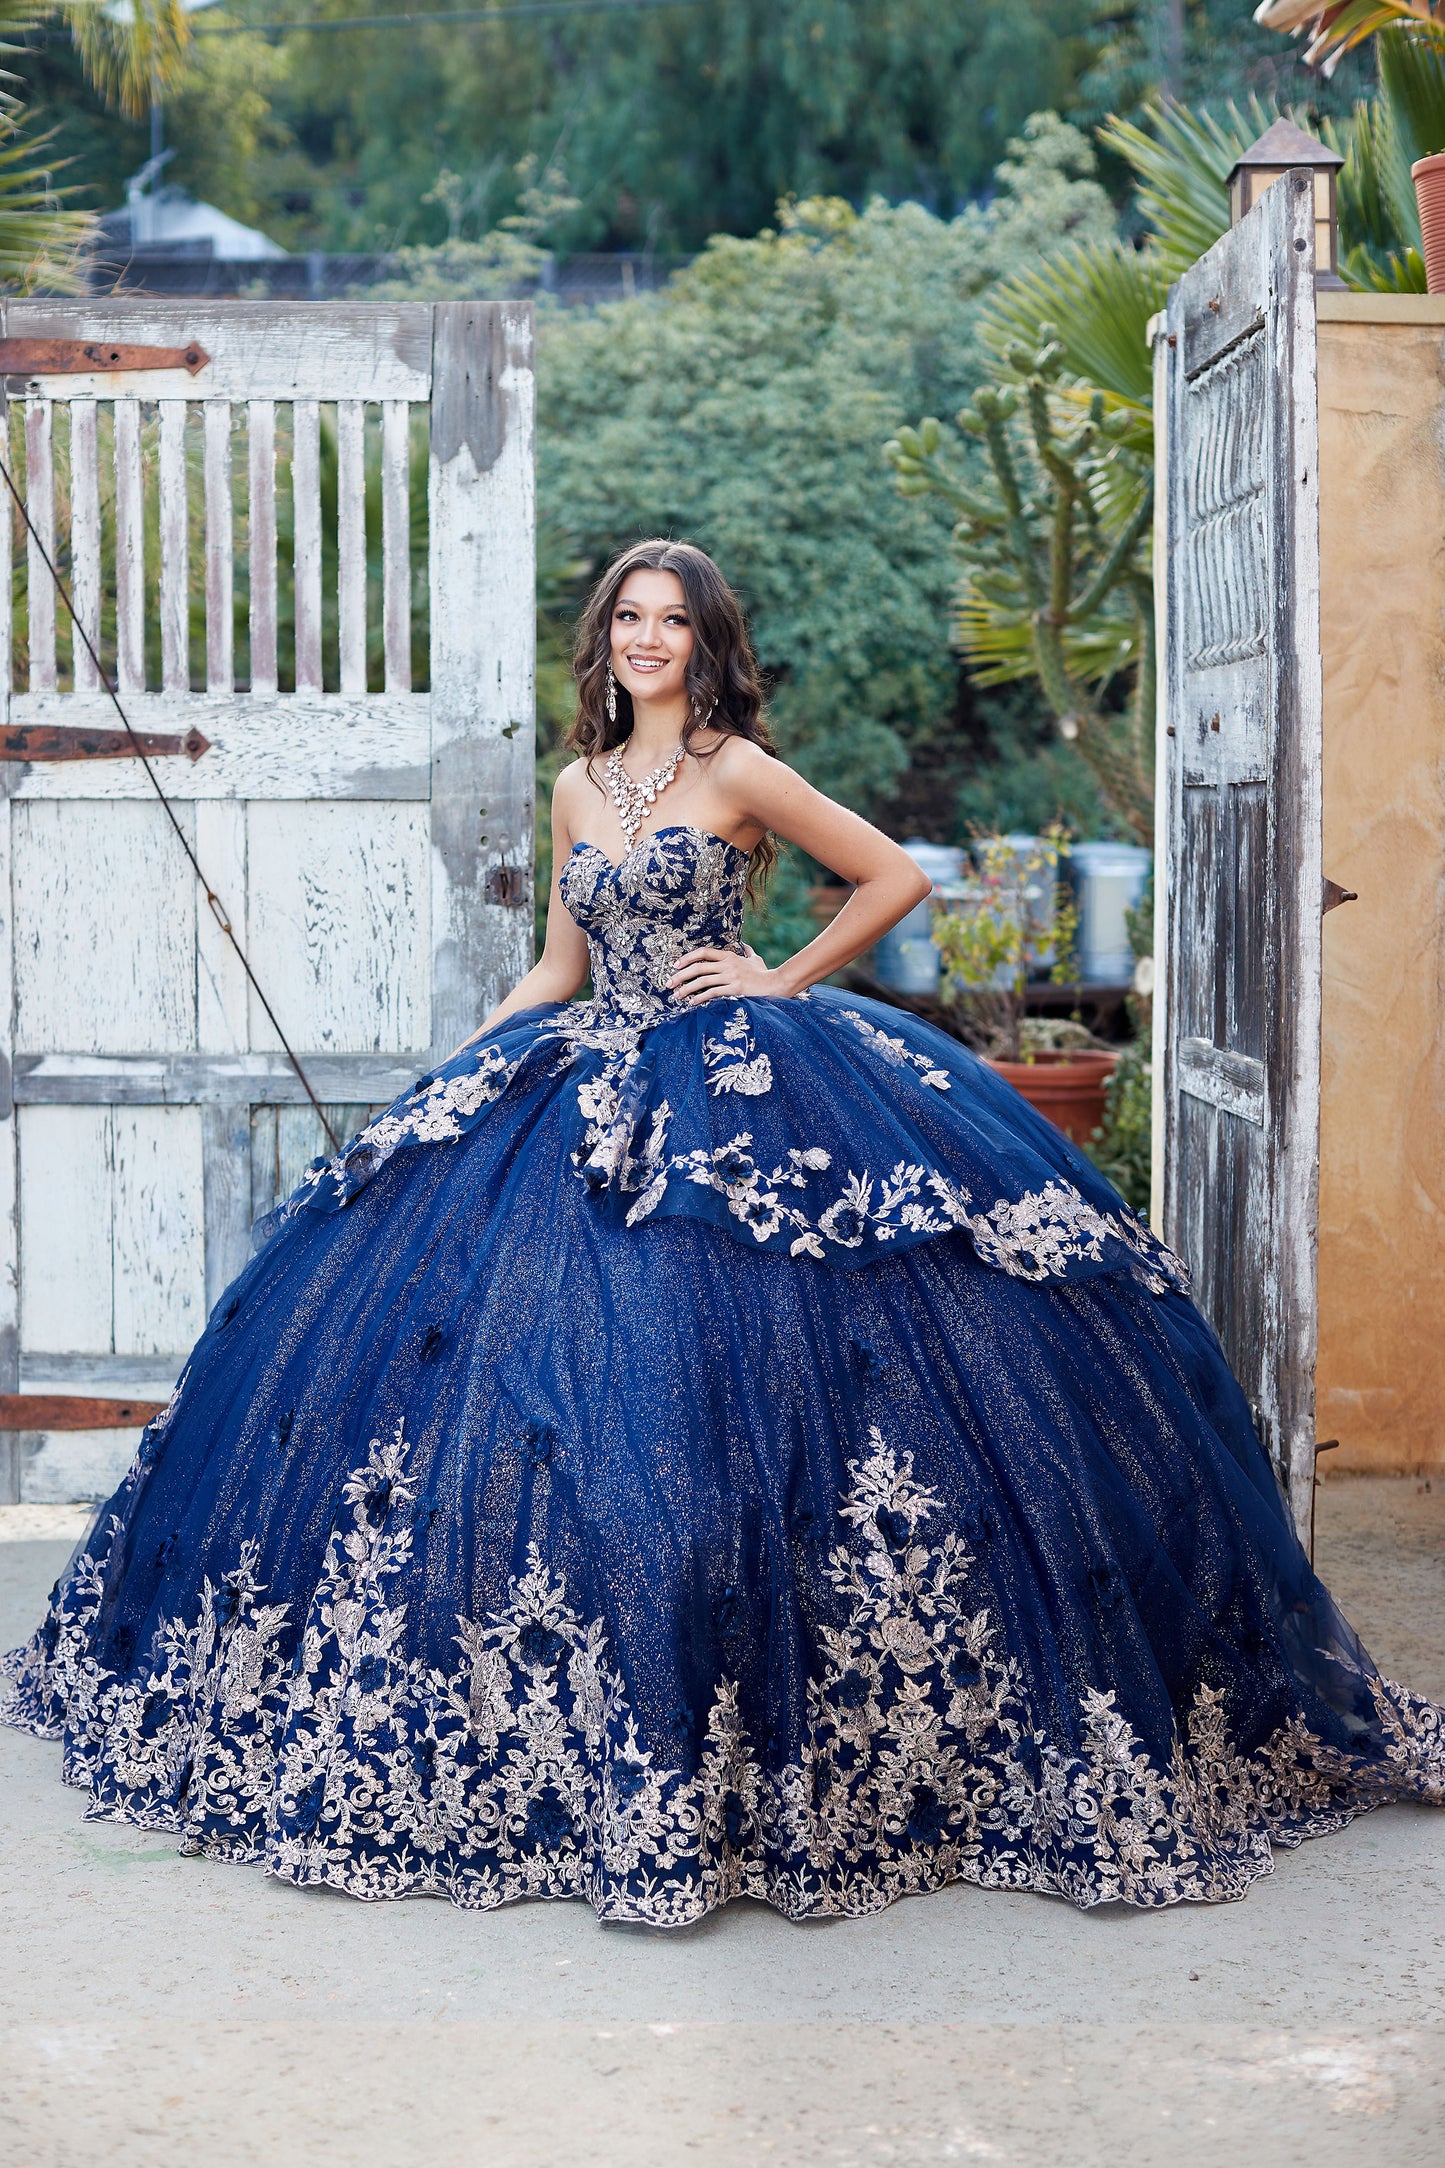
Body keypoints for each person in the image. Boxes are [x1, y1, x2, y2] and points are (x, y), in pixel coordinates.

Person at [4, 538, 1439, 1923]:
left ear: (707, 643)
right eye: (626, 618)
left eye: (670, 621)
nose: (644, 639)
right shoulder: (577, 784)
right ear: (604, 640)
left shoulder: (735, 769)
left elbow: (892, 875)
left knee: (761, 1382)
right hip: (584, 1079)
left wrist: (774, 977)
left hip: (736, 1088)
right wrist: (457, 1072)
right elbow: (559, 964)